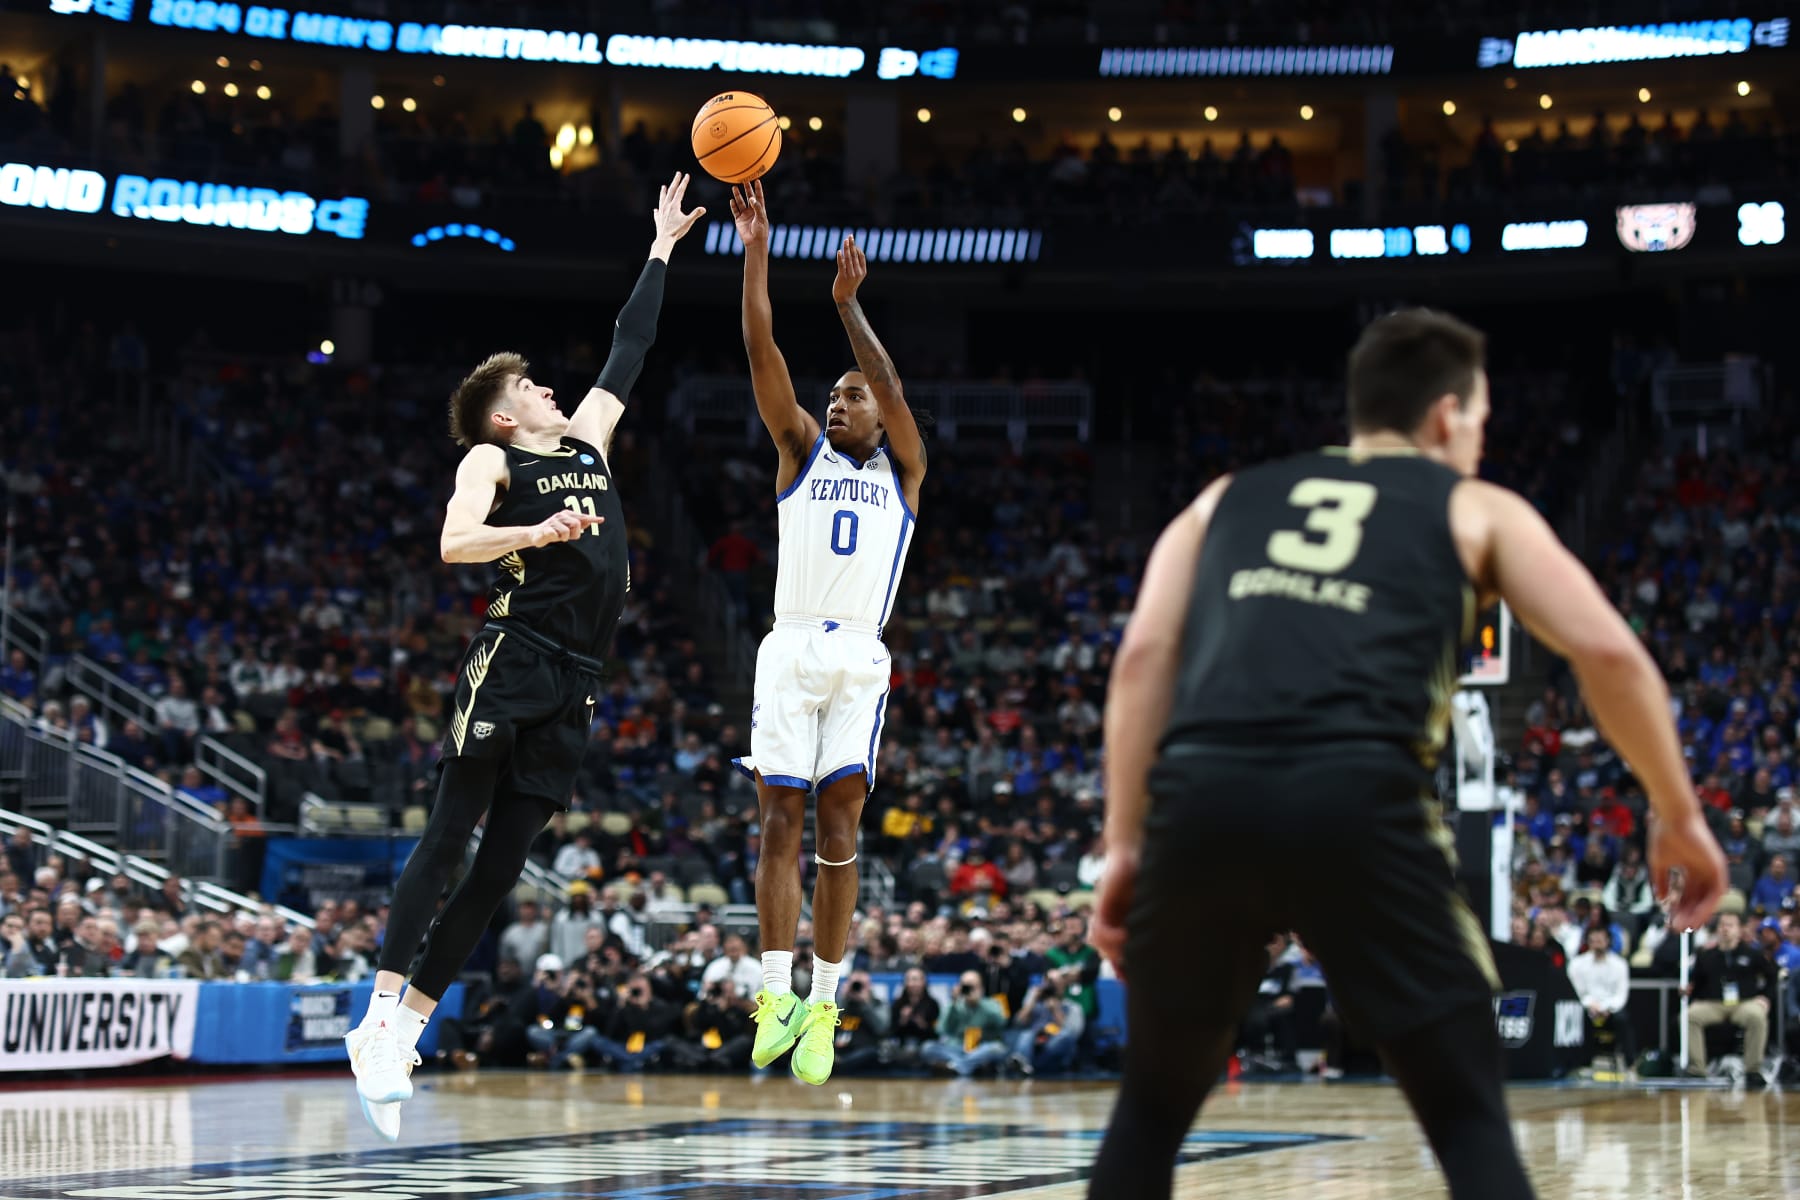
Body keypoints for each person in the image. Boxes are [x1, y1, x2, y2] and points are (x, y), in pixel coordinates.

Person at [1085, 308, 1727, 1200]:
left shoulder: (1222, 497)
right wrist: (1678, 812)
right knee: (1467, 1120)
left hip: (1205, 798)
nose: (1480, 444)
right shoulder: (1475, 505)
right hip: (1357, 800)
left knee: (1149, 1117)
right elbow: (1611, 654)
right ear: (1445, 417)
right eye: (1482, 423)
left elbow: (1143, 660)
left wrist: (1124, 842)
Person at [341, 172, 704, 1142]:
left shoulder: (590, 440)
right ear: (505, 415)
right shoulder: (493, 462)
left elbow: (632, 347)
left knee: (502, 868)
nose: (550, 386)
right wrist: (535, 533)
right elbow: (454, 546)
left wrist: (663, 246)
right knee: (452, 832)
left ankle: (408, 1032)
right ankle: (376, 1016)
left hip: (580, 678)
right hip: (517, 653)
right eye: (531, 385)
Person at [726, 179, 927, 1087]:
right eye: (834, 396)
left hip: (859, 653)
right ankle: (773, 993)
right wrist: (757, 252)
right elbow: (761, 344)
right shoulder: (799, 451)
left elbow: (886, 377)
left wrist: (851, 311)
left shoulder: (907, 472)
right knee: (780, 816)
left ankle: (825, 1004)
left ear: (881, 418)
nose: (841, 402)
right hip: (792, 641)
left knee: (841, 821)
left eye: (853, 397)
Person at [1686, 910, 1778, 1085]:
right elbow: (1696, 983)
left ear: (1740, 929)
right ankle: (1697, 1070)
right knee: (1691, 1016)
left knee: (1757, 1016)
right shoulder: (1706, 955)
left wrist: (1765, 997)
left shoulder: (1752, 954)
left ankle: (1753, 1070)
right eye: (1722, 925)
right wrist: (1690, 993)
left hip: (1744, 1003)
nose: (1725, 929)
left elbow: (1772, 976)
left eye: (1730, 925)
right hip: (1714, 1004)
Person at [1567, 926, 1634, 1070]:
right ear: (1588, 942)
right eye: (1593, 940)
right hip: (1587, 1007)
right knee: (1579, 1016)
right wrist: (1591, 1005)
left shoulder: (1620, 964)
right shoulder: (1577, 964)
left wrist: (1606, 1008)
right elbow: (1577, 992)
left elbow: (1621, 995)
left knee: (1623, 1018)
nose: (1597, 944)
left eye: (1600, 940)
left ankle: (1630, 1063)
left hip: (1611, 1009)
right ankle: (1583, 1063)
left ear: (1608, 941)